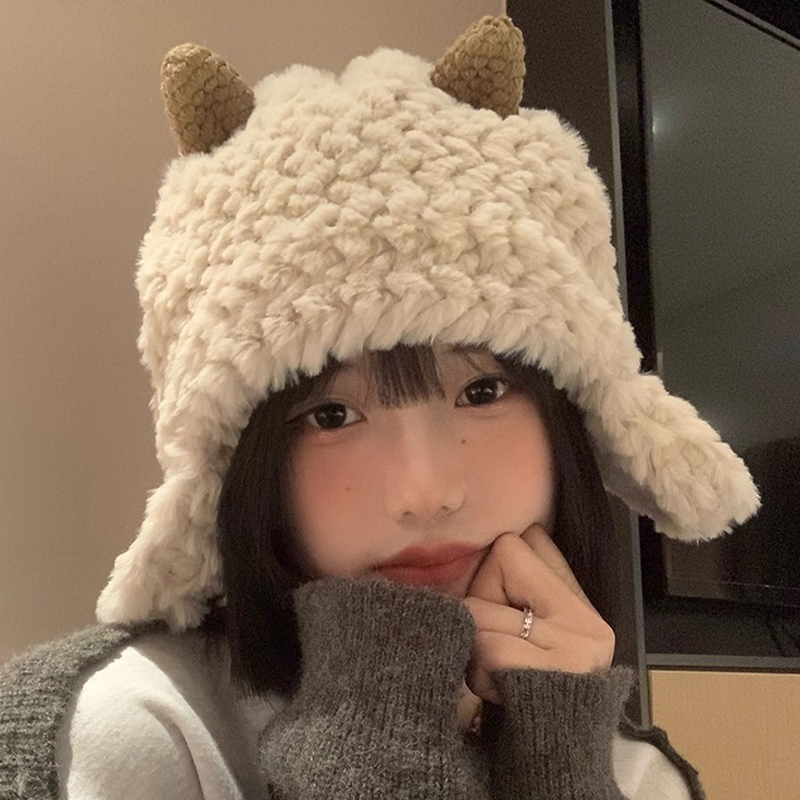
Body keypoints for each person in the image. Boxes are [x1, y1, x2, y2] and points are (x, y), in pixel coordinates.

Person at [0, 14, 759, 800]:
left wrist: (561, 764)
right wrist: (378, 736)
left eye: (482, 391)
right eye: (332, 415)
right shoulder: (135, 732)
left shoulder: (635, 774)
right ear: (240, 463)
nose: (425, 492)